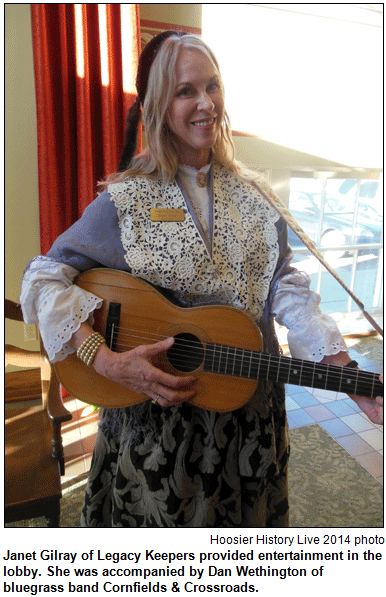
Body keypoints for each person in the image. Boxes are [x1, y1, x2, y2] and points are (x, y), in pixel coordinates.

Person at [20, 31, 383, 527]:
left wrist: (349, 375)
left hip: (248, 423)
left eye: (212, 86)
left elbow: (285, 287)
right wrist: (103, 360)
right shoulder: (126, 202)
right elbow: (43, 279)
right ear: (160, 105)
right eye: (186, 90)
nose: (205, 103)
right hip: (158, 429)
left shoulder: (256, 199)